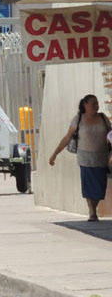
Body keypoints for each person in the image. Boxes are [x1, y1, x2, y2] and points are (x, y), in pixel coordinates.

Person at [48, 94, 111, 222]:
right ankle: (92, 212)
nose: (96, 106)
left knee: (100, 187)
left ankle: (94, 208)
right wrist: (54, 154)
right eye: (93, 103)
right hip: (85, 158)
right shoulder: (78, 119)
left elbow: (111, 135)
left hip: (102, 158)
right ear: (85, 105)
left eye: (97, 103)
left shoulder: (103, 118)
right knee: (88, 186)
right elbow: (67, 138)